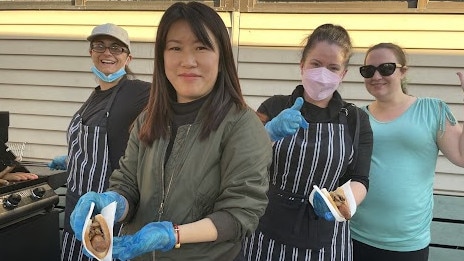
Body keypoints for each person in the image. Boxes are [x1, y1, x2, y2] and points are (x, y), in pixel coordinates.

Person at [69, 2, 273, 261]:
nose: (188, 61)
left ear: (221, 58)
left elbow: (239, 214)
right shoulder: (148, 118)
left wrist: (173, 235)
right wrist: (112, 202)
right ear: (162, 57)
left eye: (201, 47)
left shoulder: (242, 125)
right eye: (175, 48)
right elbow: (127, 184)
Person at [241, 23, 373, 261]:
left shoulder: (356, 119)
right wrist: (268, 134)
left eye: (333, 67)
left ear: (343, 74)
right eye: (316, 64)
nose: (323, 73)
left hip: (327, 239)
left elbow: (360, 179)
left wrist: (336, 203)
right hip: (266, 233)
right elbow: (243, 161)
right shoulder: (273, 107)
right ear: (302, 65)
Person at [350, 42, 464, 261]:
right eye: (368, 70)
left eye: (386, 68)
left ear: (403, 71)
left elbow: (461, 156)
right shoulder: (357, 117)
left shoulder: (432, 110)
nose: (376, 76)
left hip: (407, 244)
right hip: (356, 236)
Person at [48, 23, 151, 261]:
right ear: (91, 52)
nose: (107, 53)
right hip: (77, 205)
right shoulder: (95, 95)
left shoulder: (137, 92)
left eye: (116, 48)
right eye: (100, 46)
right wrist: (72, 159)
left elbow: (181, 95)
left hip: (107, 210)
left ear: (128, 57)